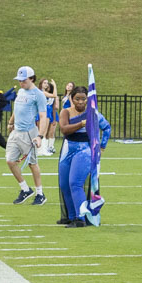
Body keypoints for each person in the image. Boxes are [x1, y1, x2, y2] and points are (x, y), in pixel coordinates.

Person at [57, 84, 111, 228]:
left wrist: (102, 146)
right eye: (77, 99)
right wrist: (82, 123)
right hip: (67, 149)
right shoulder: (66, 112)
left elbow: (107, 127)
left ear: (88, 99)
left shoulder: (93, 114)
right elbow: (64, 129)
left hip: (84, 150)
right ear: (72, 99)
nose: (80, 102)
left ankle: (80, 218)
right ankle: (71, 216)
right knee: (64, 185)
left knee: (75, 183)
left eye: (83, 99)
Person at [5, 66, 49, 206]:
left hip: (29, 133)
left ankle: (40, 194)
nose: (21, 83)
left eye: (23, 80)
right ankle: (25, 189)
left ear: (32, 79)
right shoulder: (21, 91)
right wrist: (11, 122)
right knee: (10, 161)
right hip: (16, 132)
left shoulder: (38, 95)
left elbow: (43, 116)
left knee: (32, 163)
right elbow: (17, 108)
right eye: (19, 80)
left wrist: (40, 136)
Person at [40, 78, 59, 156]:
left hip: (46, 112)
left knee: (44, 132)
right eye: (44, 83)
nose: (46, 85)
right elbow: (54, 95)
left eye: (47, 83)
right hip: (43, 111)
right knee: (42, 132)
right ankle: (42, 149)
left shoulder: (43, 92)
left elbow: (55, 104)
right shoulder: (41, 92)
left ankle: (44, 148)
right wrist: (54, 85)